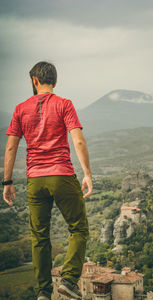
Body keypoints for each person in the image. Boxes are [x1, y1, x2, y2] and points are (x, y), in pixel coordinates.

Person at [2, 61, 93, 300]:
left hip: (35, 180)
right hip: (62, 176)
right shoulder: (64, 104)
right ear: (55, 81)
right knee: (79, 228)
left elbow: (11, 147)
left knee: (39, 236)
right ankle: (69, 281)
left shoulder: (21, 108)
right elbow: (79, 141)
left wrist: (7, 182)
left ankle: (43, 291)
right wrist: (87, 174)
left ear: (34, 81)